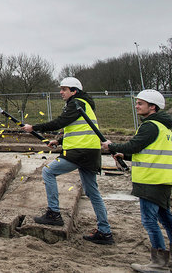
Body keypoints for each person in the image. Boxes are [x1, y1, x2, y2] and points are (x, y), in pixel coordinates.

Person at [22, 77, 113, 244]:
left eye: (64, 89)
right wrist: (60, 141)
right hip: (89, 152)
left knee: (48, 171)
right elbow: (79, 128)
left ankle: (54, 213)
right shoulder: (83, 104)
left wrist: (33, 127)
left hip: (79, 152)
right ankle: (105, 231)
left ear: (74, 91)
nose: (61, 92)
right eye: (61, 89)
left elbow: (59, 122)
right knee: (92, 192)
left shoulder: (76, 103)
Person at [102, 90, 172, 272]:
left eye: (141, 103)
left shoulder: (151, 125)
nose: (137, 106)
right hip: (162, 180)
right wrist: (123, 154)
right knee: (165, 218)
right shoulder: (164, 127)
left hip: (150, 180)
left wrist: (112, 146)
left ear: (152, 107)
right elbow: (146, 151)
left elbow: (134, 145)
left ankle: (159, 263)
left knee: (149, 220)